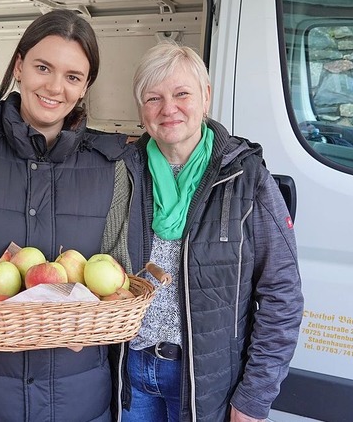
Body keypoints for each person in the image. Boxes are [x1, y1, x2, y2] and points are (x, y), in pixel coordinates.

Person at [0, 10, 132, 422]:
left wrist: (92, 321)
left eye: (73, 76)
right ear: (19, 66)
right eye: (43, 67)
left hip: (78, 400)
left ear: (86, 86)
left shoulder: (111, 167)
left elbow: (117, 276)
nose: (55, 87)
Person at [114, 41, 304, 422]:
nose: (168, 109)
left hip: (206, 385)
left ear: (206, 96)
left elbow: (281, 293)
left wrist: (253, 397)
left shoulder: (246, 178)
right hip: (129, 373)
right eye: (153, 98)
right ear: (140, 109)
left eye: (181, 93)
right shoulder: (122, 172)